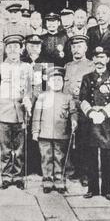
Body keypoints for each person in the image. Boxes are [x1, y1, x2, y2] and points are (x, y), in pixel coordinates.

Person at [0, 34, 33, 190]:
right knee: (6, 149)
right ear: (6, 50)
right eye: (10, 47)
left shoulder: (27, 68)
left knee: (20, 149)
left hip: (21, 113)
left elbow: (32, 89)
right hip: (3, 113)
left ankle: (18, 176)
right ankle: (6, 177)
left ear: (21, 49)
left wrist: (28, 99)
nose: (13, 50)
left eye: (16, 47)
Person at [80, 46, 110, 201]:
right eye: (96, 57)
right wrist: (91, 113)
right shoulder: (87, 77)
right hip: (91, 122)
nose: (99, 60)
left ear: (108, 60)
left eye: (102, 57)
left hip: (107, 122)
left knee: (107, 157)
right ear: (93, 60)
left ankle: (107, 190)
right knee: (90, 156)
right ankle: (92, 189)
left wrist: (104, 113)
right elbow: (82, 99)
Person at [32, 66, 77, 194]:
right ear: (48, 82)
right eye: (54, 80)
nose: (56, 83)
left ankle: (59, 180)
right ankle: (47, 180)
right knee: (46, 157)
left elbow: (73, 112)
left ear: (63, 82)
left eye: (59, 80)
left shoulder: (68, 97)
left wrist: (74, 121)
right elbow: (36, 115)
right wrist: (35, 131)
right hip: (44, 133)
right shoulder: (42, 96)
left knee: (59, 157)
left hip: (61, 133)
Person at [63, 35, 95, 186]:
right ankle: (76, 169)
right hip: (69, 108)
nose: (76, 49)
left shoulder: (91, 66)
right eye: (74, 47)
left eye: (79, 46)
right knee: (71, 138)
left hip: (84, 109)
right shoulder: (67, 66)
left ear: (86, 48)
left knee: (84, 141)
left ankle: (86, 173)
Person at [21, 34, 48, 176]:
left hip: (40, 102)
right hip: (24, 102)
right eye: (31, 45)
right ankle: (26, 166)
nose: (34, 48)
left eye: (37, 45)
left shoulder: (45, 62)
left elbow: (47, 85)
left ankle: (38, 166)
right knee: (25, 133)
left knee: (38, 133)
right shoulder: (22, 61)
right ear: (26, 46)